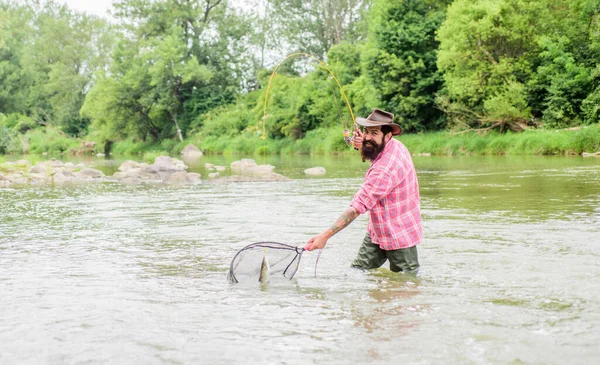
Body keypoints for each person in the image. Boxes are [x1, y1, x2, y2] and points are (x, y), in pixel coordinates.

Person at [304, 108, 422, 273]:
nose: (367, 137)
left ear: (388, 135)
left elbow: (356, 209)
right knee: (357, 272)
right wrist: (363, 145)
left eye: (374, 133)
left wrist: (324, 236)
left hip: (399, 234)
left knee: (406, 283)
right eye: (366, 131)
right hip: (378, 230)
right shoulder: (393, 145)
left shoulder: (384, 170)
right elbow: (374, 153)